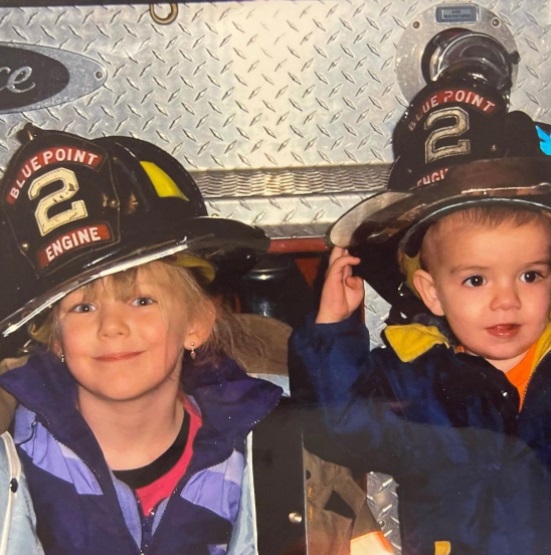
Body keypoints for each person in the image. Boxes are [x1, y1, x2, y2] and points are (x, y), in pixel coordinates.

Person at [0, 124, 282, 555]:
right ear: (54, 339)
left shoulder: (267, 453)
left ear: (196, 324)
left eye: (142, 300)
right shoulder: (13, 462)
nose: (111, 326)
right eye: (83, 307)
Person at [290, 113, 551, 552]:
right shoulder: (414, 380)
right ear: (431, 292)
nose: (506, 301)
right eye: (475, 280)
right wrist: (332, 329)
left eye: (530, 276)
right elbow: (338, 425)